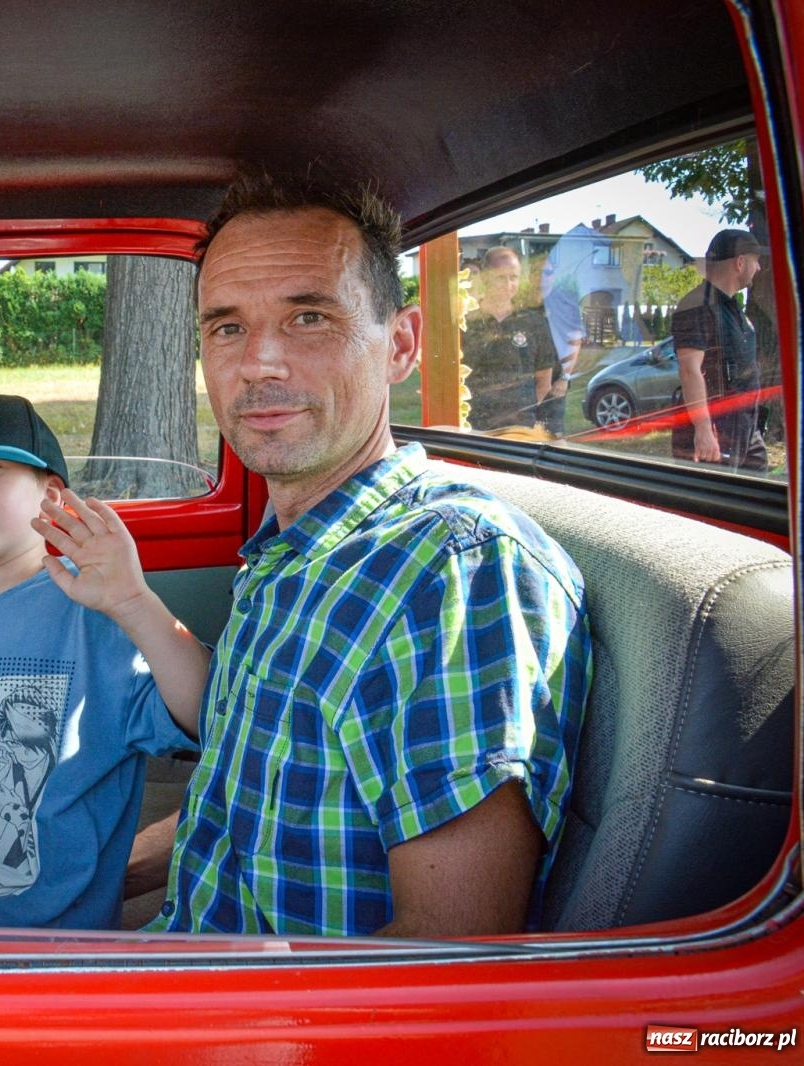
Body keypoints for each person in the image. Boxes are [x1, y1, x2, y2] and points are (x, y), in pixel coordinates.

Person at [149, 172, 591, 938]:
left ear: (402, 345)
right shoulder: (290, 558)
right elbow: (231, 813)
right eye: (226, 328)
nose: (258, 364)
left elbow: (444, 962)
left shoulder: (454, 571)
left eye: (310, 317)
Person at [0, 395, 207, 929]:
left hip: (35, 933)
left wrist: (135, 604)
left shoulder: (92, 607)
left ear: (50, 496)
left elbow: (205, 715)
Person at [670, 229, 769, 470]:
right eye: (755, 262)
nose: (758, 268)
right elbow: (690, 370)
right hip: (717, 431)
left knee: (757, 494)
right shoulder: (697, 305)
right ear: (740, 262)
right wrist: (703, 430)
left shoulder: (732, 307)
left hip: (745, 429)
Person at [462, 247, 560, 433]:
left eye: (513, 277)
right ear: (484, 277)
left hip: (518, 429)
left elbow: (544, 381)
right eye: (500, 277)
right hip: (472, 427)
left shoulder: (534, 323)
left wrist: (522, 414)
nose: (508, 284)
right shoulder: (466, 322)